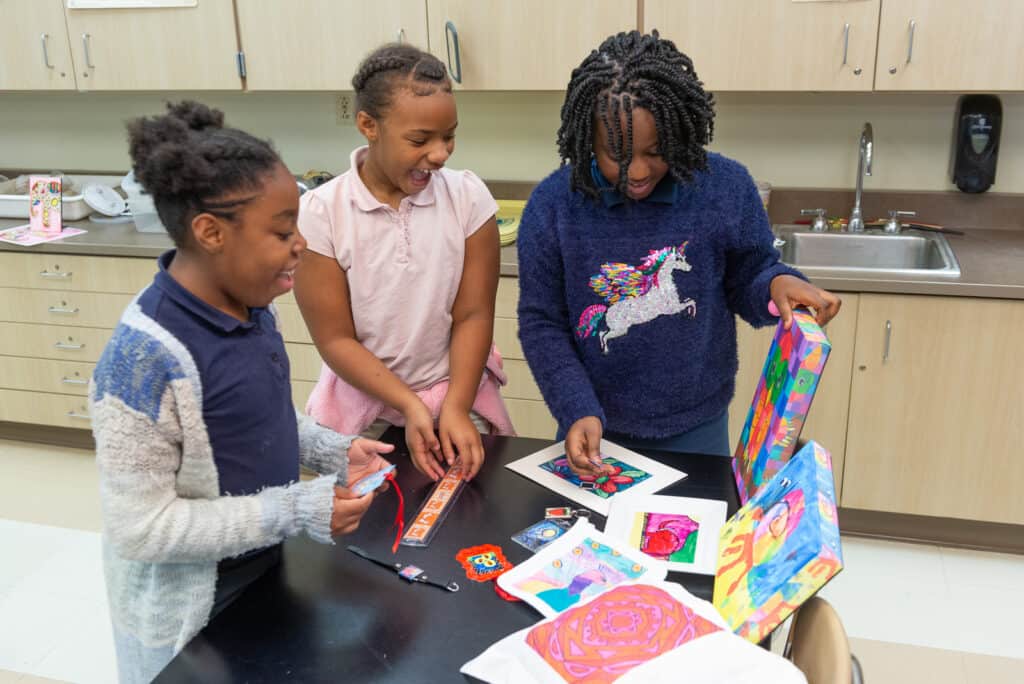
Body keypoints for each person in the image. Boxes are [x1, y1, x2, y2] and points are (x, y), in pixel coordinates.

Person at [90, 101, 392, 683]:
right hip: (189, 616)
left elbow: (262, 420)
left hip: (262, 572)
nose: (300, 244)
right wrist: (295, 509)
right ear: (211, 233)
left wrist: (331, 450)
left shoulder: (252, 307)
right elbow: (142, 528)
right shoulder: (141, 361)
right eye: (282, 231)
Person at [516, 31, 841, 475]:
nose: (639, 171)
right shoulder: (552, 206)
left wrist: (776, 283)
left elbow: (750, 275)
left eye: (657, 151)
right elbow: (542, 322)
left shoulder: (725, 187)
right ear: (589, 140)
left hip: (697, 429)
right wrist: (575, 407)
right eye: (619, 154)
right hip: (591, 426)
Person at [295, 44, 513, 482]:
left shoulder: (469, 199)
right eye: (419, 140)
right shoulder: (321, 214)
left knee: (476, 512)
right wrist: (411, 406)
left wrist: (452, 407)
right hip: (364, 407)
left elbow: (473, 315)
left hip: (457, 395)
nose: (439, 154)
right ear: (368, 125)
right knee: (365, 530)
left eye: (449, 135)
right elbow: (336, 340)